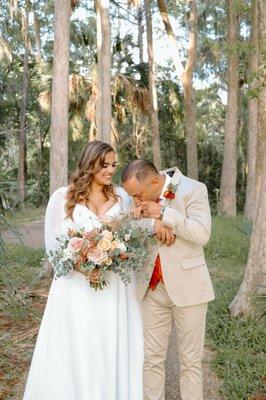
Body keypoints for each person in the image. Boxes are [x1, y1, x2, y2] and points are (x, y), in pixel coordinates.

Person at [23, 141, 145, 400]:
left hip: (114, 284)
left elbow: (129, 236)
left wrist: (115, 253)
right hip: (76, 286)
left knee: (108, 342)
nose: (111, 170)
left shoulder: (120, 197)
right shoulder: (64, 197)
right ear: (90, 163)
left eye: (113, 164)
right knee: (80, 343)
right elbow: (56, 248)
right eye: (105, 165)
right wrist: (82, 265)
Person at [122, 160, 215, 400]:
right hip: (152, 289)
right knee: (151, 359)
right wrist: (153, 224)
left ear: (155, 181)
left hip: (189, 289)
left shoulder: (194, 189)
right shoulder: (139, 197)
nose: (137, 202)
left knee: (190, 362)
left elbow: (202, 233)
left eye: (139, 195)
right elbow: (128, 228)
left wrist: (164, 213)